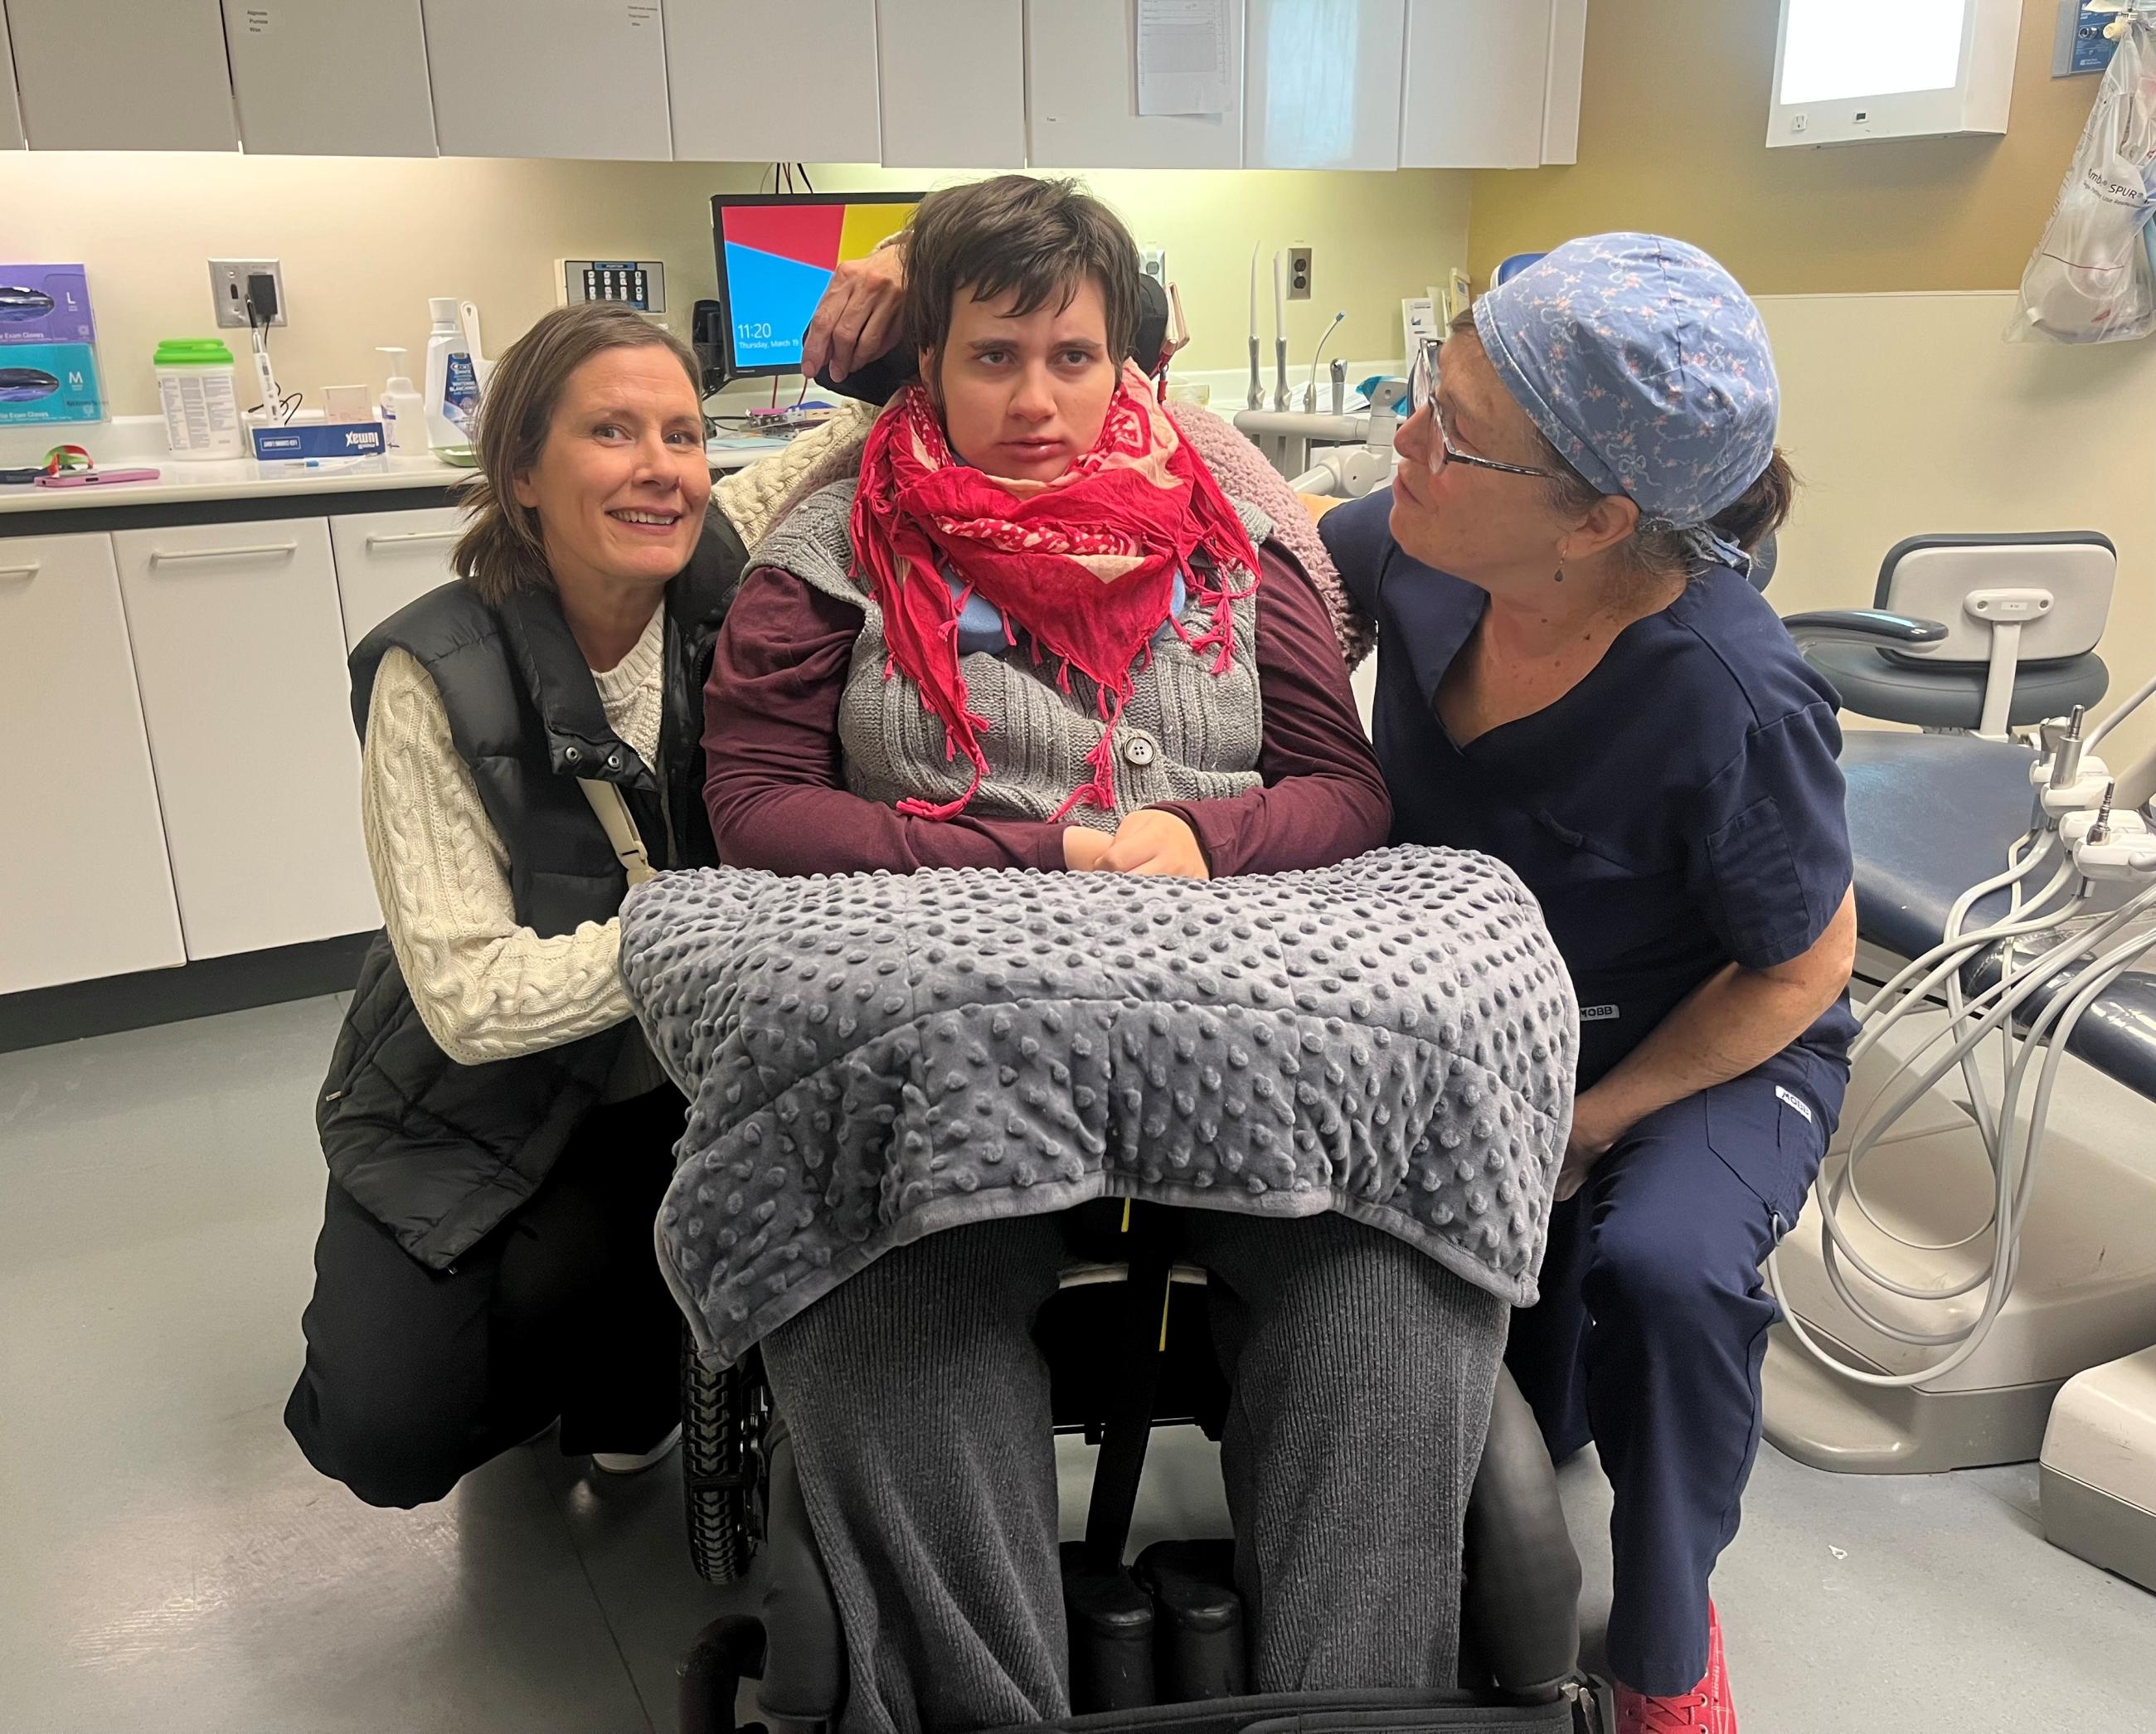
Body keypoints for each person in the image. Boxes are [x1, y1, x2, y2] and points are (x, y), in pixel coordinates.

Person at [700, 174, 1511, 1734]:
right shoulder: (833, 533)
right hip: (954, 1052)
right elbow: (756, 807)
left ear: (1124, 360)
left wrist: (1209, 839)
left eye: (1071, 357)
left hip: (1242, 1041)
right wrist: (1030, 852)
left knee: (1387, 1278)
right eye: (993, 356)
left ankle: (1351, 1716)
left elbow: (1344, 787)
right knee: (887, 1291)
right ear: (925, 358)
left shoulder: (1228, 526)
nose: (1037, 401)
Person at [1318, 235, 1857, 1734]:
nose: (1405, 440)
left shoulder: (1729, 691)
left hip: (1707, 1047)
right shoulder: (1418, 545)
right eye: (1431, 396)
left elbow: (1804, 958)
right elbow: (1258, 561)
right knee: (1528, 1414)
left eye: (1453, 430)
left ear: (1598, 517)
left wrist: (1597, 1118)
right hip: (1494, 1045)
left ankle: (1672, 1649)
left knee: (1664, 1278)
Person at [284, 302, 852, 1508]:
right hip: (471, 1094)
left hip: (672, 1090)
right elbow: (470, 1004)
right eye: (611, 431)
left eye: (685, 435)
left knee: (629, 1292)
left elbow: (855, 428)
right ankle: (586, 1354)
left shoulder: (723, 572)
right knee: (385, 1433)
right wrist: (709, 930)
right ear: (524, 471)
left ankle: (630, 1369)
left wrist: (911, 267)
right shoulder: (431, 674)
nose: (661, 471)